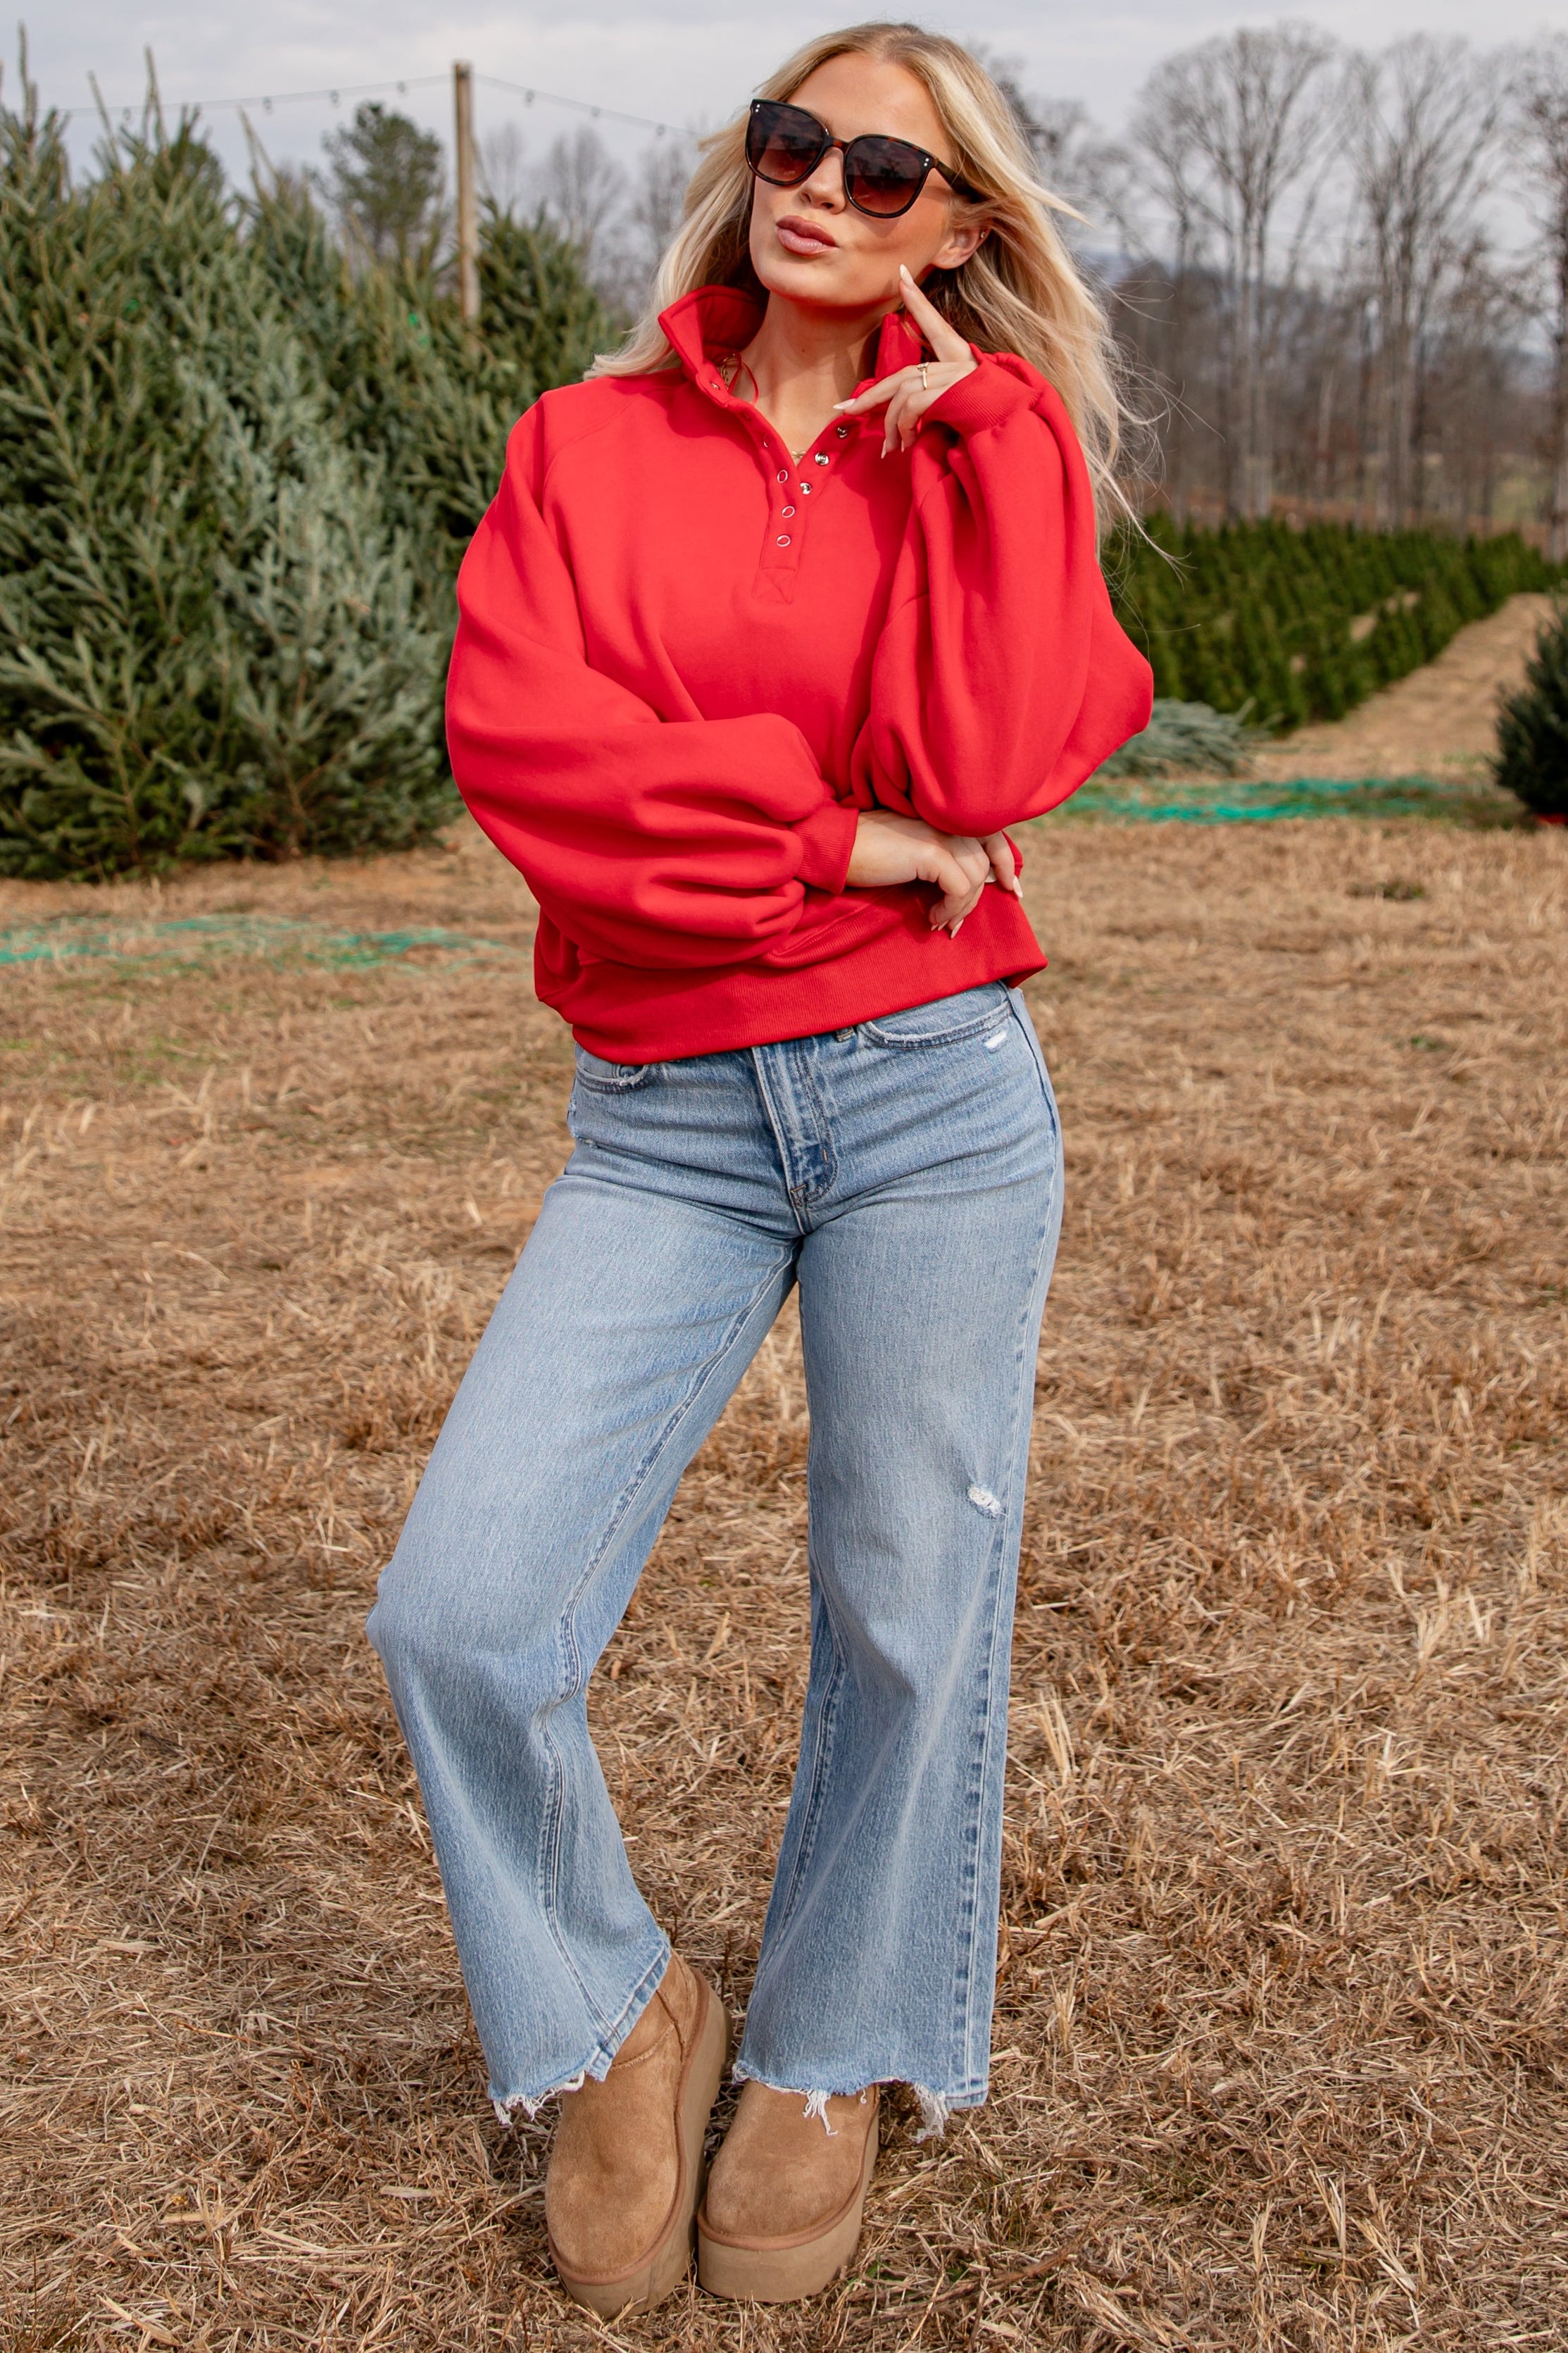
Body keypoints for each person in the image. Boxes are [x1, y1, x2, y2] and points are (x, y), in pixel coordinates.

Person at [368, 18, 1151, 2317]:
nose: (818, 186)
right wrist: (835, 831)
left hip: (932, 1097)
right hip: (672, 1117)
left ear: (960, 231)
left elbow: (1003, 749)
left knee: (910, 1610)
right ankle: (616, 2015)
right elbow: (538, 759)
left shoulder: (975, 453)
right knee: (463, 1610)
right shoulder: (583, 450)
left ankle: (833, 2048)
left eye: (886, 172)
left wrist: (990, 434)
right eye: (791, 142)